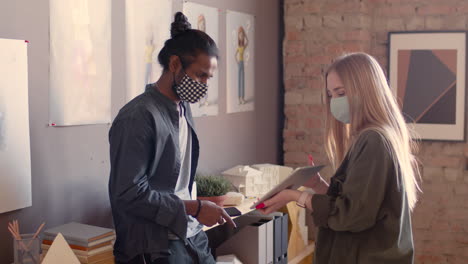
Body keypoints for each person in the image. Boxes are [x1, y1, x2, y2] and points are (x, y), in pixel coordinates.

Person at [257, 52, 420, 264]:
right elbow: (358, 202)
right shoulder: (377, 136)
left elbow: (351, 215)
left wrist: (297, 197)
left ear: (365, 90)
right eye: (330, 95)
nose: (334, 101)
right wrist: (318, 185)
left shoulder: (373, 140)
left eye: (341, 93)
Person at [108, 12, 235, 264]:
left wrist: (195, 211)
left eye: (209, 78)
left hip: (190, 236)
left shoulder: (183, 107)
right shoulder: (137, 117)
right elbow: (128, 193)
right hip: (156, 248)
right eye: (200, 75)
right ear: (175, 64)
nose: (204, 85)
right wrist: (195, 208)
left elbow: (178, 183)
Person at [235, 26, 248, 105]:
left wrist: (245, 35)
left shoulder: (243, 46)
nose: (241, 36)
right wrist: (237, 62)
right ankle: (239, 98)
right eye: (240, 35)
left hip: (242, 63)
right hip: (240, 63)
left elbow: (248, 42)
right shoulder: (239, 47)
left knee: (242, 80)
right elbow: (235, 55)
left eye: (242, 35)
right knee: (239, 80)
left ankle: (242, 97)